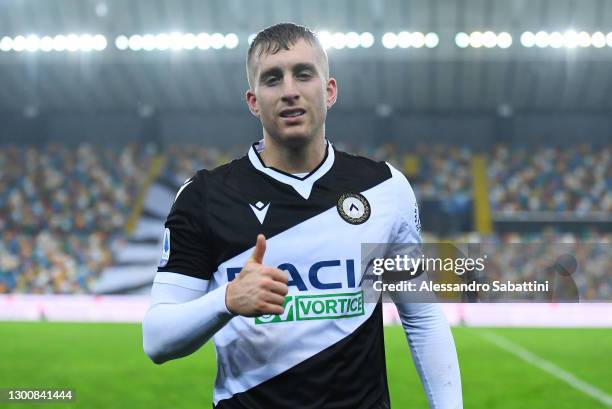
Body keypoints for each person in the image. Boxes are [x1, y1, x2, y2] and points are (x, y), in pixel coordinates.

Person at [142, 22, 462, 409]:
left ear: (329, 91)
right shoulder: (204, 197)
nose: (290, 90)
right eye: (272, 79)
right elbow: (157, 339)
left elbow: (422, 318)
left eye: (303, 74)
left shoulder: (385, 188)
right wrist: (227, 299)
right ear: (253, 101)